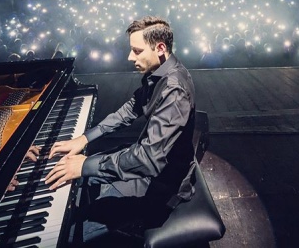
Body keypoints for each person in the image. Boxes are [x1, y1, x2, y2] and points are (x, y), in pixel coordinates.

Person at [45, 16, 197, 244]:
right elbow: (130, 109)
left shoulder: (174, 90)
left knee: (72, 230)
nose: (130, 57)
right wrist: (85, 138)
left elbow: (148, 160)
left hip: (161, 185)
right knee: (82, 179)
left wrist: (85, 165)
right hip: (150, 167)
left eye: (137, 51)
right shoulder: (158, 73)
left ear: (160, 48)